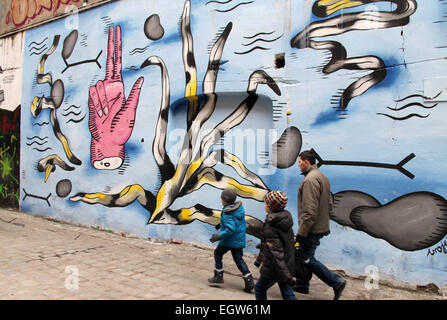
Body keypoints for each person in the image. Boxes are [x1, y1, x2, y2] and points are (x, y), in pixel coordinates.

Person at [294, 149, 347, 300]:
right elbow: (330, 203)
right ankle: (302, 284)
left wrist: (301, 232)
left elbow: (309, 211)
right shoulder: (322, 176)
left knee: (306, 257)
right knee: (306, 255)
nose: (298, 166)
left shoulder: (310, 180)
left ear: (306, 162)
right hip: (320, 225)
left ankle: (336, 282)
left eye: (299, 163)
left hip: (312, 228)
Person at [208, 188, 255, 292]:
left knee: (217, 253)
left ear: (225, 200)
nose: (221, 200)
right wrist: (220, 225)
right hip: (238, 240)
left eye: (222, 198)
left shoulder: (227, 212)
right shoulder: (238, 208)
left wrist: (219, 236)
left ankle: (218, 276)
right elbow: (235, 222)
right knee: (239, 259)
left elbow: (230, 229)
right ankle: (249, 280)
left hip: (228, 241)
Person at [254, 191, 297, 300]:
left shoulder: (271, 225)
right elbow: (282, 242)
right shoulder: (284, 219)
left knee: (259, 288)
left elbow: (276, 253)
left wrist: (286, 276)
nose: (264, 205)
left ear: (271, 207)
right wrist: (265, 244)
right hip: (287, 263)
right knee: (287, 293)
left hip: (275, 268)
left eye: (266, 204)